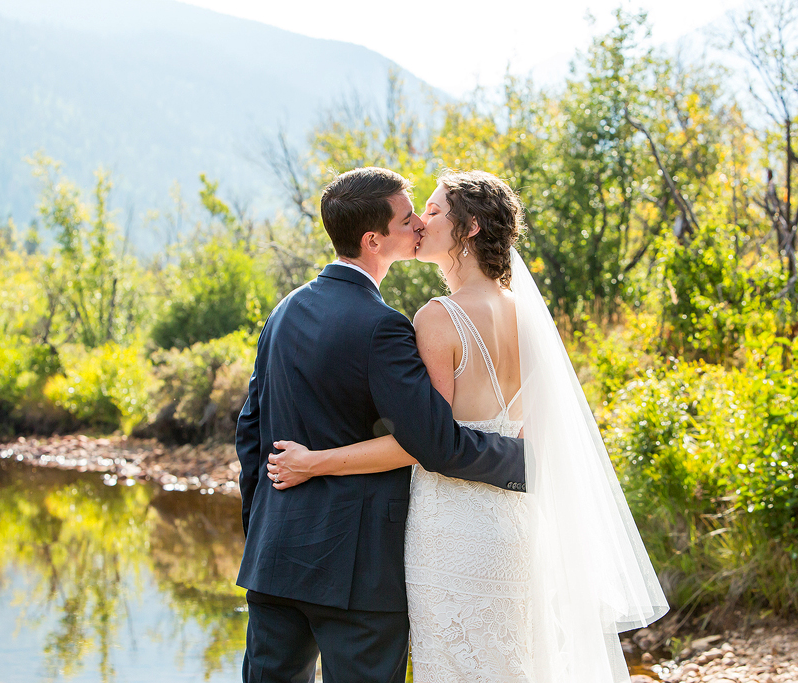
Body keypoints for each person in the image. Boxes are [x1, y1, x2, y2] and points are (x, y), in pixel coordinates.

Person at [269, 170, 670, 682]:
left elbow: (426, 443)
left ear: (471, 227)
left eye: (433, 212)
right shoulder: (528, 318)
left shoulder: (438, 318)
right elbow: (523, 432)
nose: (420, 222)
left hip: (451, 524)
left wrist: (314, 463)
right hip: (516, 523)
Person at [235, 167, 527, 683]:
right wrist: (528, 464)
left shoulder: (281, 313)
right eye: (408, 216)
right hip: (359, 574)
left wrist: (263, 534)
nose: (418, 224)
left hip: (274, 561)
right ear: (374, 239)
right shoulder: (384, 326)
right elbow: (432, 440)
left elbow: (249, 432)